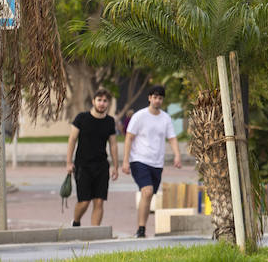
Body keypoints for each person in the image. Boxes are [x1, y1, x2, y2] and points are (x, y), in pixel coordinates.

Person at [122, 84, 182, 238]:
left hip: (157, 163)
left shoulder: (166, 118)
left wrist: (177, 155)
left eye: (160, 98)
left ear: (162, 100)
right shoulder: (139, 116)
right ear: (149, 98)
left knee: (149, 195)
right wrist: (125, 161)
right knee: (147, 192)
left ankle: (142, 228)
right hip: (139, 160)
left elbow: (172, 138)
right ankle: (141, 230)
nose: (157, 100)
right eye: (154, 97)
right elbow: (129, 138)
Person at [65, 89, 119, 226]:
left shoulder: (109, 121)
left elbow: (113, 145)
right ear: (93, 101)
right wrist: (68, 162)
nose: (102, 103)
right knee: (84, 202)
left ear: (108, 103)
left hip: (101, 166)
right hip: (83, 166)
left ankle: (95, 234)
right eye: (99, 100)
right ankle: (76, 222)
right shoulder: (82, 118)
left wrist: (116, 166)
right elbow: (72, 140)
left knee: (99, 201)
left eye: (105, 101)